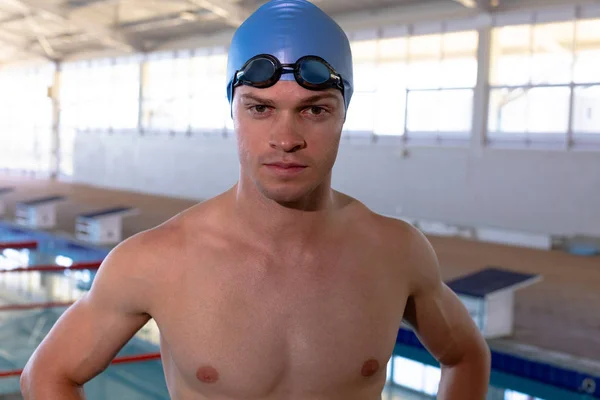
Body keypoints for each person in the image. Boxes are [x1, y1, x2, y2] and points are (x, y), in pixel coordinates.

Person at [20, 0, 491, 399]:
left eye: (314, 110)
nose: (285, 139)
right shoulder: (156, 260)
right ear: (234, 111)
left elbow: (466, 355)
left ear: (344, 114)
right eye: (260, 108)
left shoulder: (396, 251)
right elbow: (47, 374)